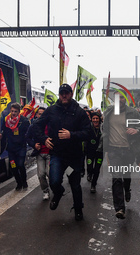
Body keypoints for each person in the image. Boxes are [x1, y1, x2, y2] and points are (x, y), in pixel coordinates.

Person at [33, 84, 91, 221]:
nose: (64, 95)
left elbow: (88, 133)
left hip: (74, 156)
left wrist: (72, 135)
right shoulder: (51, 110)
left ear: (71, 94)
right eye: (61, 93)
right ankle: (58, 193)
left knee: (75, 184)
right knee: (54, 181)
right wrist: (44, 139)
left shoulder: (79, 112)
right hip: (57, 154)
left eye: (66, 93)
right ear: (59, 95)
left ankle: (78, 209)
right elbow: (36, 125)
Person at [99, 92, 140, 219]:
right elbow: (104, 128)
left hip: (128, 150)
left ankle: (127, 190)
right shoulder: (108, 112)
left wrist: (137, 130)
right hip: (113, 150)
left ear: (125, 99)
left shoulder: (133, 112)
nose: (120, 100)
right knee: (117, 178)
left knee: (126, 175)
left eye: (122, 97)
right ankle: (120, 208)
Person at [0, 103, 30, 191]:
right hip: (11, 148)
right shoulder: (6, 120)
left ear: (19, 112)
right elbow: (4, 131)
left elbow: (28, 133)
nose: (13, 113)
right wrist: (1, 135)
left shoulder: (24, 121)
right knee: (13, 167)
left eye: (15, 111)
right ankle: (19, 183)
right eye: (12, 111)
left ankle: (24, 182)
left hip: (21, 148)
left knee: (20, 165)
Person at [26, 107, 51, 200]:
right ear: (36, 115)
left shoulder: (51, 125)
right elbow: (27, 137)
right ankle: (45, 191)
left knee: (50, 174)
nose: (41, 116)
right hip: (40, 153)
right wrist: (34, 145)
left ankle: (55, 189)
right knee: (41, 174)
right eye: (39, 114)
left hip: (50, 153)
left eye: (43, 114)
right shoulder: (33, 126)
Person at [86, 112, 103, 193]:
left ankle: (93, 185)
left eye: (97, 118)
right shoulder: (88, 127)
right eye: (93, 118)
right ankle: (89, 173)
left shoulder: (103, 128)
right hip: (90, 151)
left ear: (99, 119)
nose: (95, 120)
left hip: (100, 152)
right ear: (91, 119)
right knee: (89, 167)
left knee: (97, 169)